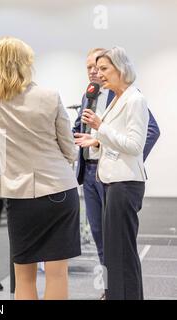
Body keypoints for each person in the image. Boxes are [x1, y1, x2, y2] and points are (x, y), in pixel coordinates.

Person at [0, 37, 80, 300]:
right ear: (26, 64)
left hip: (19, 194)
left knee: (24, 277)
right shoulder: (50, 96)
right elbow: (69, 149)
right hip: (58, 190)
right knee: (57, 273)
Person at [73, 48, 160, 268]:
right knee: (100, 236)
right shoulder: (88, 95)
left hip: (117, 175)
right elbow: (81, 127)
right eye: (90, 68)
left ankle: (114, 288)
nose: (94, 72)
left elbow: (149, 132)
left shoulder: (126, 95)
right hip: (91, 172)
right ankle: (108, 287)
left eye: (99, 67)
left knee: (118, 242)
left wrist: (127, 160)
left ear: (116, 68)